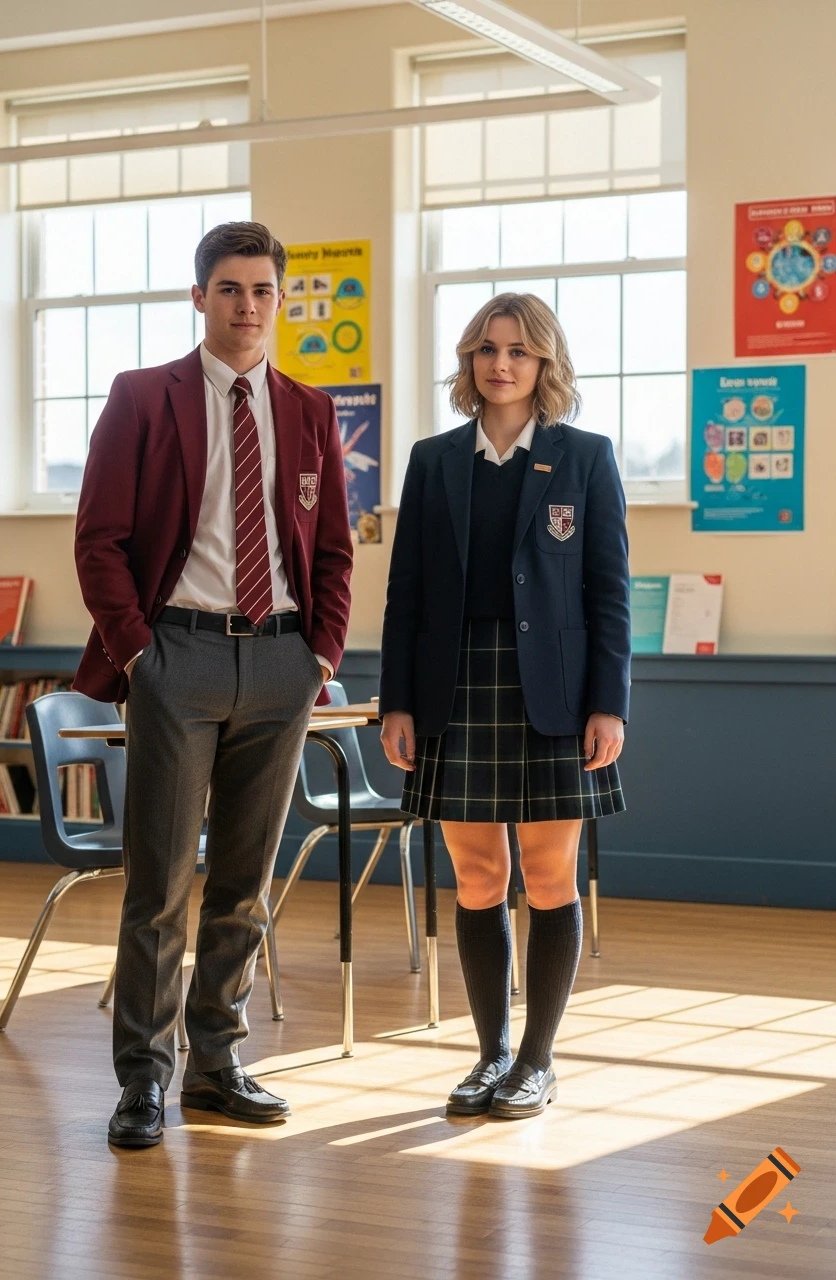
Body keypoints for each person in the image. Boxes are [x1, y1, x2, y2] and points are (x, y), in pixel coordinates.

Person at [74, 221, 354, 1146]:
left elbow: (334, 551)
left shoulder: (312, 411)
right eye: (229, 289)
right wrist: (138, 653)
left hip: (280, 660)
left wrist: (318, 656)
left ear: (281, 301)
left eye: (262, 290)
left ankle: (216, 1064)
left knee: (245, 878)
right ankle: (142, 1080)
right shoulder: (142, 397)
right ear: (199, 298)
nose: (247, 306)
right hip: (177, 656)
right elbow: (99, 541)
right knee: (157, 880)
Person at [380, 292, 629, 1120]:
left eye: (518, 351)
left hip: (552, 692)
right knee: (479, 876)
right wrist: (398, 703)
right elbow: (405, 593)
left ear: (544, 363)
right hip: (456, 688)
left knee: (550, 876)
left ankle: (538, 1060)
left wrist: (610, 704)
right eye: (486, 348)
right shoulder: (432, 460)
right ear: (469, 360)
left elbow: (608, 593)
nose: (500, 363)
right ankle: (489, 1055)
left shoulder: (586, 457)